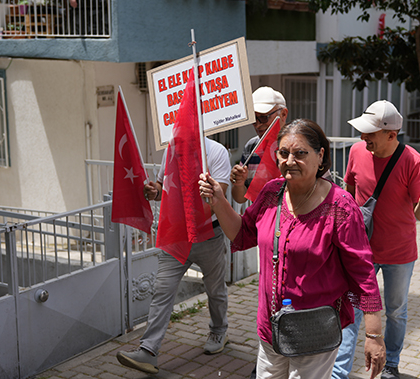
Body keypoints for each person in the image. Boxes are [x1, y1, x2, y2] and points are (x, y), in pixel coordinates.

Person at [199, 119, 387, 379]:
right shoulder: (271, 193)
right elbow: (243, 234)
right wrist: (219, 201)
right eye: (283, 153)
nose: (289, 160)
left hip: (314, 332)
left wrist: (374, 335)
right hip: (271, 328)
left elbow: (363, 273)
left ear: (320, 156)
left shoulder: (340, 207)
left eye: (300, 153)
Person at [333, 100, 420, 379]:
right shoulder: (357, 151)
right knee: (352, 309)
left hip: (399, 252)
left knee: (395, 311)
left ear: (391, 135)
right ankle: (339, 371)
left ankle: (391, 363)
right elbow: (349, 189)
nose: (363, 138)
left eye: (370, 133)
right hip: (361, 251)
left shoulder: (413, 161)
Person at [116, 137, 231, 374]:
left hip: (209, 235)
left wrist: (201, 192)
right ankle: (148, 351)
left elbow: (219, 199)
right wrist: (153, 191)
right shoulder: (170, 150)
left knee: (215, 290)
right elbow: (162, 188)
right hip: (176, 237)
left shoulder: (216, 151)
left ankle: (219, 332)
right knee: (162, 291)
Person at [230, 87, 289, 204]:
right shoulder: (251, 146)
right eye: (253, 118)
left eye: (263, 117)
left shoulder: (301, 144)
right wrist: (239, 184)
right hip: (260, 219)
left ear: (283, 114)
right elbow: (240, 198)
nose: (257, 125)